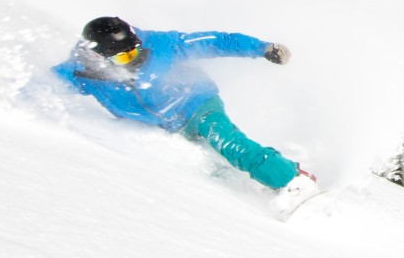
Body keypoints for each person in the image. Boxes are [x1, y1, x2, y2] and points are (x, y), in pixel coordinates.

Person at [54, 15, 321, 212]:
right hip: (165, 125)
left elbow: (216, 42)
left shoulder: (160, 44)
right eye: (123, 58)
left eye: (134, 51)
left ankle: (292, 181)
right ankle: (261, 187)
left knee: (224, 140)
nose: (133, 59)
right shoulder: (83, 72)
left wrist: (263, 49)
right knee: (206, 165)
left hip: (196, 102)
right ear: (99, 57)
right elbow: (46, 87)